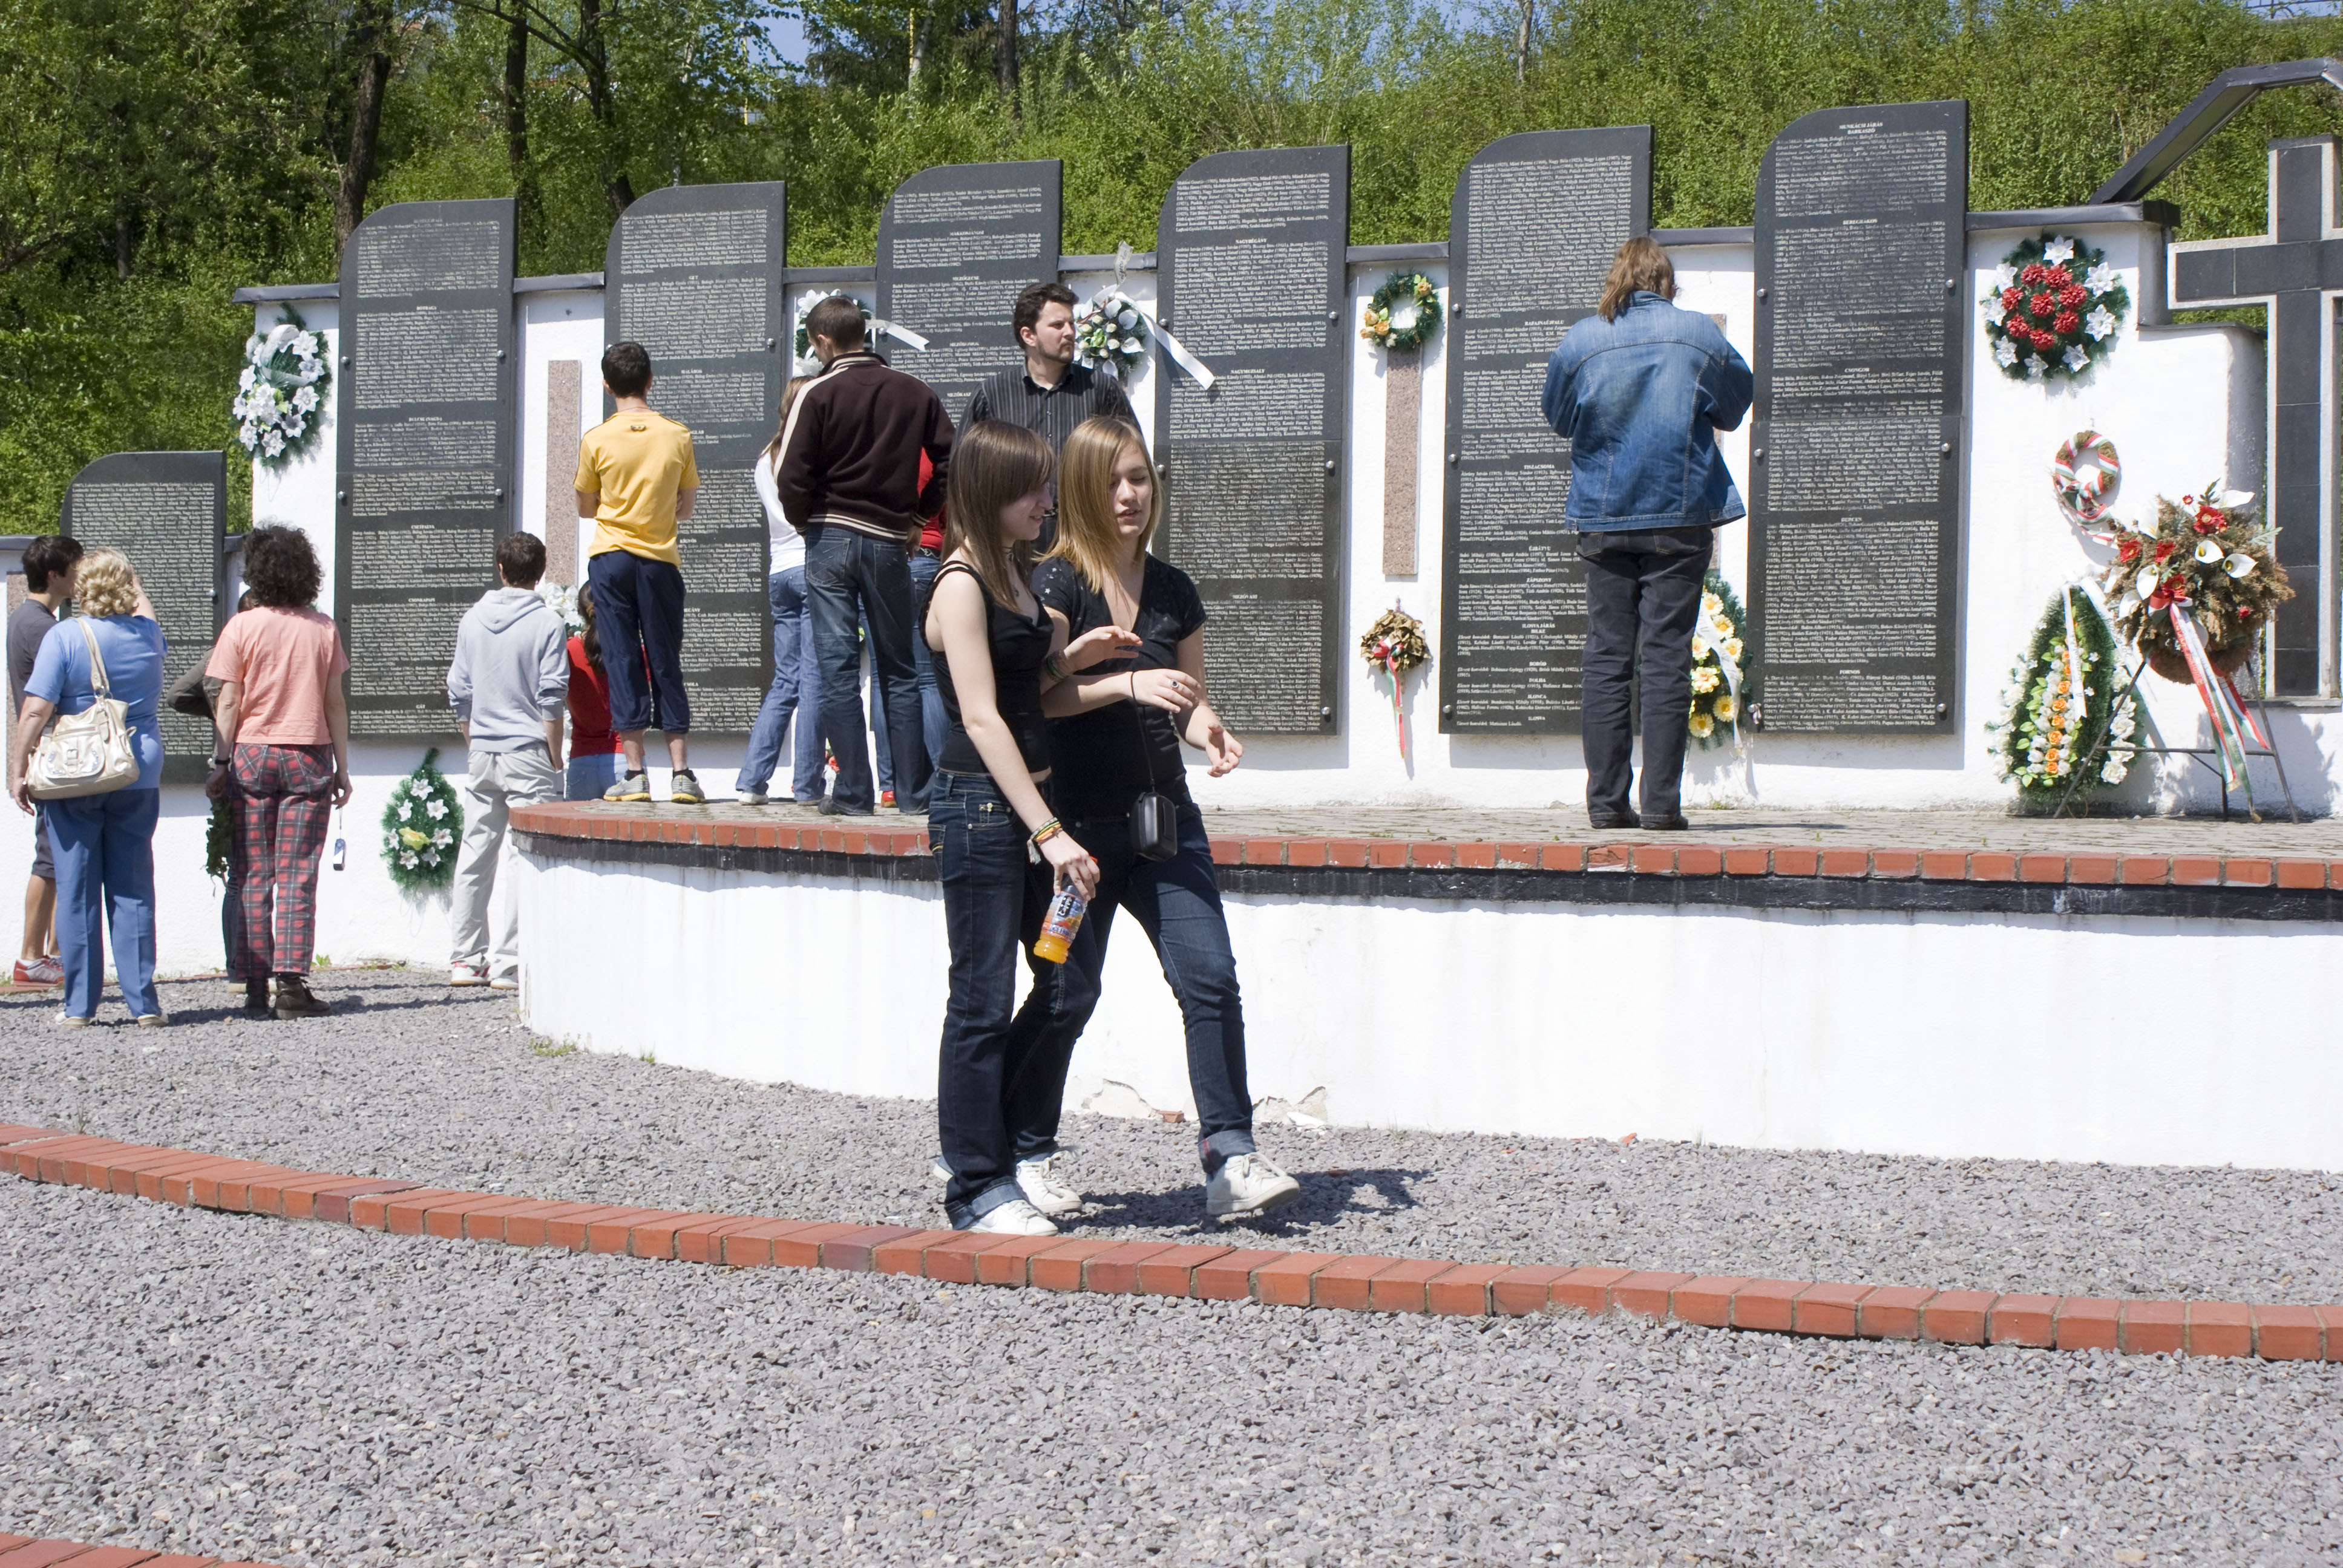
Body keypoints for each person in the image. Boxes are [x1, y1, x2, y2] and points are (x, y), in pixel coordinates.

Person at [1021, 417, 1301, 1223]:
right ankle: (1025, 1153)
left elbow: (1186, 698)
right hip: (1075, 835)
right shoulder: (1057, 584)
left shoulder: (1175, 590)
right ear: (1081, 489)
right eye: (1111, 480)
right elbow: (1039, 699)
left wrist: (1208, 729)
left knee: (1208, 978)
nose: (1128, 494)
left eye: (1139, 477)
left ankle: (1231, 1156)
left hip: (1163, 824)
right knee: (1065, 993)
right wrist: (1125, 684)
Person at [926, 421, 1132, 1235]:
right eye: (1032, 488)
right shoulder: (959, 583)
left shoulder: (1011, 573)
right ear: (989, 490)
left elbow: (1027, 686)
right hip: (983, 813)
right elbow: (981, 717)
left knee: (1067, 984)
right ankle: (976, 1185)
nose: (1047, 501)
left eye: (1046, 486)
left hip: (1028, 814)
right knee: (982, 1000)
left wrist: (1076, 659)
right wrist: (1050, 832)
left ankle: (994, 1148)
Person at [1541, 235, 1752, 831]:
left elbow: (1559, 416)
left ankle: (1606, 804)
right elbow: (1734, 404)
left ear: (1616, 280)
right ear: (1666, 283)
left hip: (1604, 517)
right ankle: (1661, 806)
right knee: (1665, 659)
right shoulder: (1698, 334)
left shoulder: (1581, 340)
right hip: (1678, 514)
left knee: (1607, 657)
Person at [773, 295, 952, 817]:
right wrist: (919, 516)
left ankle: (854, 792)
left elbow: (790, 475)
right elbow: (952, 460)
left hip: (830, 537)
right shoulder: (914, 390)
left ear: (823, 341)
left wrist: (806, 521)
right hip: (890, 541)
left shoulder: (817, 392)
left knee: (837, 669)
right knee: (900, 669)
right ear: (864, 334)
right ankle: (914, 793)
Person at [7, 547, 166, 1027]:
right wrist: (133, 580)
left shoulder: (65, 636)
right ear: (128, 589)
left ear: (82, 587)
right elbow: (144, 609)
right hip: (137, 770)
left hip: (76, 772)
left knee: (77, 888)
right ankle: (144, 1004)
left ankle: (79, 1006)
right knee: (133, 888)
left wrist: (18, 768)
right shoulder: (149, 635)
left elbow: (36, 709)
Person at [205, 525, 352, 1019]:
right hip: (309, 755)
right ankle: (291, 986)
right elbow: (334, 703)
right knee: (297, 874)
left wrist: (220, 762)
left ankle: (253, 985)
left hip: (252, 754)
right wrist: (343, 768)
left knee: (252, 873)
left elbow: (229, 701)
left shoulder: (242, 627)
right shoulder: (322, 628)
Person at [574, 341, 704, 806]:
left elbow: (585, 507)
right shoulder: (677, 435)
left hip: (611, 558)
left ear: (607, 385)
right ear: (650, 381)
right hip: (659, 558)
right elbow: (686, 508)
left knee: (623, 658)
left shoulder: (596, 439)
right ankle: (682, 773)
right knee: (666, 658)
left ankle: (634, 774)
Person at [447, 533, 568, 989]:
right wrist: (554, 755)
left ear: (500, 568)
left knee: (475, 853)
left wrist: (474, 739)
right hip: (528, 751)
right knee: (524, 857)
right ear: (540, 573)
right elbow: (551, 696)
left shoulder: (471, 619)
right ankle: (509, 962)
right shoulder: (547, 623)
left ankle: (465, 959)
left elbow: (459, 691)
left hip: (483, 750)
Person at [965, 283, 1136, 552]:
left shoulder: (1102, 390)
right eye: (1058, 325)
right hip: (1014, 542)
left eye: (1071, 324)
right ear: (1029, 335)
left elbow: (1133, 455)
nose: (1070, 332)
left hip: (1085, 537)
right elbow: (964, 472)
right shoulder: (992, 394)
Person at [739, 377, 824, 806]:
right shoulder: (809, 454)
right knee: (813, 681)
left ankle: (752, 781)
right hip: (810, 566)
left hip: (779, 570)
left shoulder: (764, 458)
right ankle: (808, 786)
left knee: (785, 681)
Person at [8, 534, 81, 987]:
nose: (80, 576)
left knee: (55, 855)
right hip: (54, 754)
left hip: (46, 752)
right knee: (51, 857)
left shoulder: (29, 619)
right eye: (75, 568)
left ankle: (53, 955)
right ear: (54, 575)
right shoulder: (43, 628)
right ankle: (32, 957)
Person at [563, 587, 625, 802]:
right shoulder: (627, 649)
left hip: (582, 758)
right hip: (623, 755)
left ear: (579, 611)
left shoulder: (567, 651)